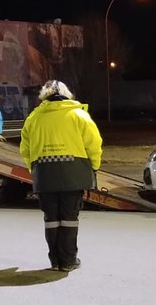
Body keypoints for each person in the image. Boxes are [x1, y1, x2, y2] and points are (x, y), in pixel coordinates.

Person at [20, 80, 102, 272]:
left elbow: (25, 149)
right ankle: (68, 260)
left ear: (44, 96)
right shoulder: (79, 115)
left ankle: (55, 260)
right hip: (73, 173)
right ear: (67, 94)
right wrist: (94, 166)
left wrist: (34, 168)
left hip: (45, 174)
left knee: (51, 218)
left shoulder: (34, 118)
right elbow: (94, 144)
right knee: (69, 218)